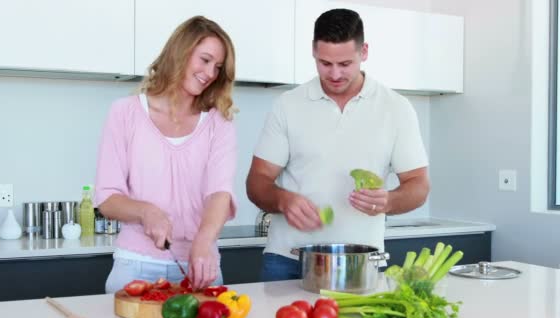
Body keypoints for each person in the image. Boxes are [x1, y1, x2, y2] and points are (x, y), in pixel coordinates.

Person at [246, 8, 430, 281]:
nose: (334, 74)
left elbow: (418, 184)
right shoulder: (287, 105)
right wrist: (282, 200)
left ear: (364, 52)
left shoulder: (396, 109)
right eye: (324, 63)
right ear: (313, 52)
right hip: (288, 260)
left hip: (361, 263)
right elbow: (257, 182)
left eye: (345, 64)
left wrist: (389, 201)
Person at [95, 16, 237, 293]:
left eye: (218, 67)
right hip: (135, 265)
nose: (210, 73)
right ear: (180, 52)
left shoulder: (220, 122)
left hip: (201, 268)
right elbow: (107, 199)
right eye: (205, 60)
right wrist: (146, 211)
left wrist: (204, 241)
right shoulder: (124, 113)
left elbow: (219, 192)